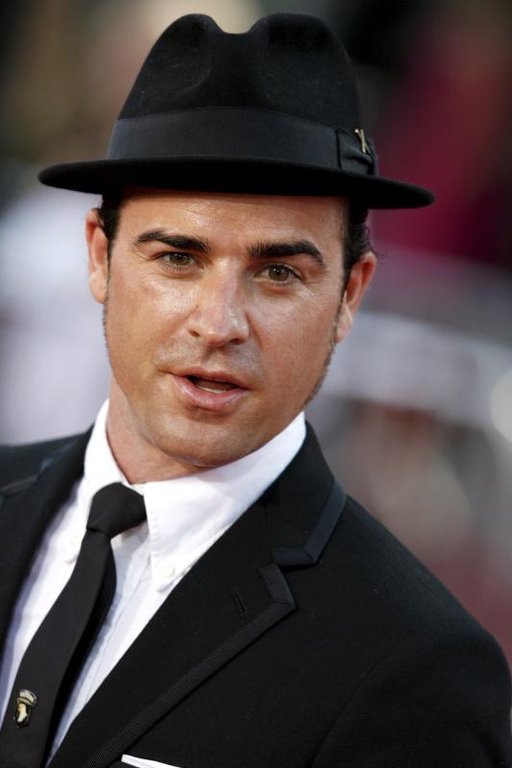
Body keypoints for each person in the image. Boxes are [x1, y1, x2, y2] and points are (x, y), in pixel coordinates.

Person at [0, 13, 510, 768]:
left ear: (350, 295)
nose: (219, 323)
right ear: (100, 257)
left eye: (278, 273)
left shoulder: (416, 670)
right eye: (178, 258)